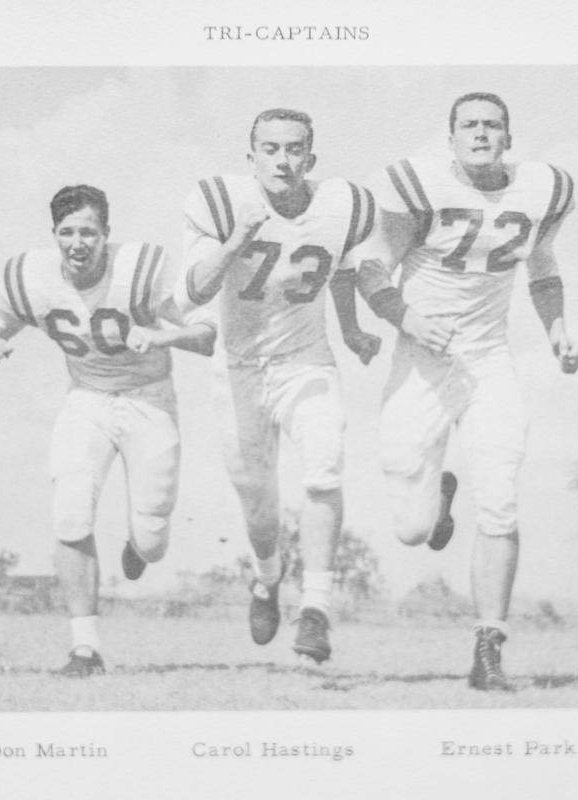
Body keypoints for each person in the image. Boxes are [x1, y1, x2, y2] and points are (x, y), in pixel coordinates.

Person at [355, 92, 578, 690]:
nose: (481, 133)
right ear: (451, 137)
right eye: (469, 125)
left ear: (509, 137)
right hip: (421, 362)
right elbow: (372, 266)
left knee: (501, 499)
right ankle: (437, 500)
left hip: (488, 362)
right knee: (410, 528)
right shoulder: (417, 185)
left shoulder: (543, 188)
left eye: (492, 125)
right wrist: (407, 318)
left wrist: (557, 328)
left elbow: (543, 265)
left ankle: (489, 649)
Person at [0, 185, 216, 677]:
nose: (77, 243)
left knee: (152, 539)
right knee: (70, 515)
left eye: (88, 232)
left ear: (106, 234)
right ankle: (85, 648)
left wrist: (161, 335)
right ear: (54, 234)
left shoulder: (140, 268)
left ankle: (138, 546)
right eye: (67, 232)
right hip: (86, 399)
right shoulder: (31, 277)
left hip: (149, 400)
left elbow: (207, 332)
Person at [175, 109, 381, 663]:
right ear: (251, 157)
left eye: (294, 149)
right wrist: (235, 241)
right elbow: (192, 293)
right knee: (258, 504)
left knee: (325, 463)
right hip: (239, 368)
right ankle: (268, 578)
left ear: (311, 158)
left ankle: (316, 608)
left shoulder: (343, 204)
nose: (283, 160)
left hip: (305, 360)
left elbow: (341, 265)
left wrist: (352, 329)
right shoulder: (221, 203)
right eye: (270, 149)